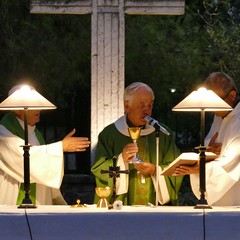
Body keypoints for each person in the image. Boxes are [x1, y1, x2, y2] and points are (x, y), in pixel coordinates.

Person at [91, 82, 183, 206]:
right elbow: (99, 168)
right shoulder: (110, 134)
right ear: (126, 105)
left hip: (155, 207)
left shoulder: (162, 134)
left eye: (149, 106)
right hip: (122, 206)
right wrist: (121, 160)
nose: (146, 110)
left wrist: (155, 170)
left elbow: (176, 168)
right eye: (141, 105)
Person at [0, 84, 90, 205]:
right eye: (33, 106)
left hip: (40, 199)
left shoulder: (36, 133)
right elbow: (22, 159)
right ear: (17, 109)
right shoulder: (3, 132)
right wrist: (60, 147)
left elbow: (43, 165)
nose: (39, 109)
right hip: (13, 196)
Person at [174, 72, 240, 206]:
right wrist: (208, 151)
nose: (212, 107)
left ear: (232, 96)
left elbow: (231, 163)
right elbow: (209, 146)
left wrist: (199, 168)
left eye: (216, 100)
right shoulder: (220, 115)